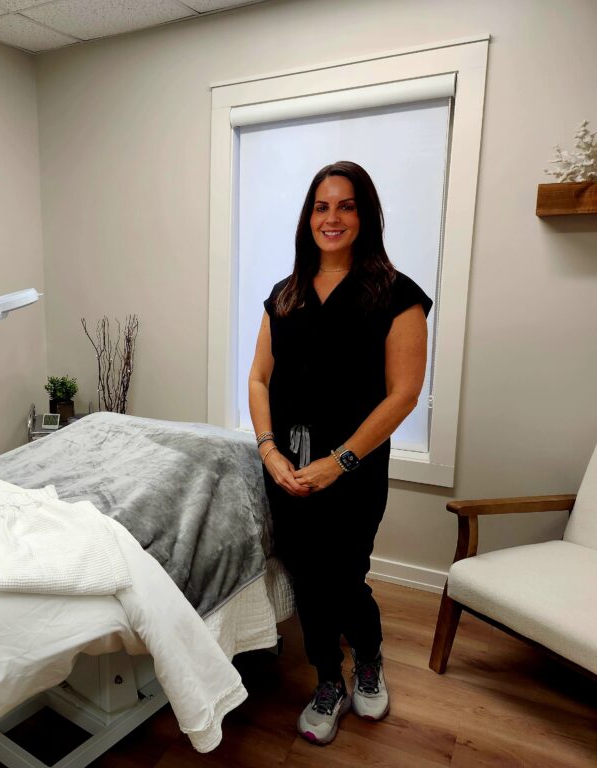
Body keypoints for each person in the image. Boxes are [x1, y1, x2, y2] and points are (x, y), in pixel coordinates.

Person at [247, 161, 431, 746]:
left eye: (345, 206)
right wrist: (269, 451)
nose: (332, 218)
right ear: (308, 217)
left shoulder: (396, 296)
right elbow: (258, 379)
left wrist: (341, 462)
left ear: (365, 215)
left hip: (354, 471)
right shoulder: (285, 295)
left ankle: (369, 657)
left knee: (345, 576)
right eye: (321, 207)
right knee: (306, 578)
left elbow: (404, 393)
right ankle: (328, 678)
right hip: (288, 468)